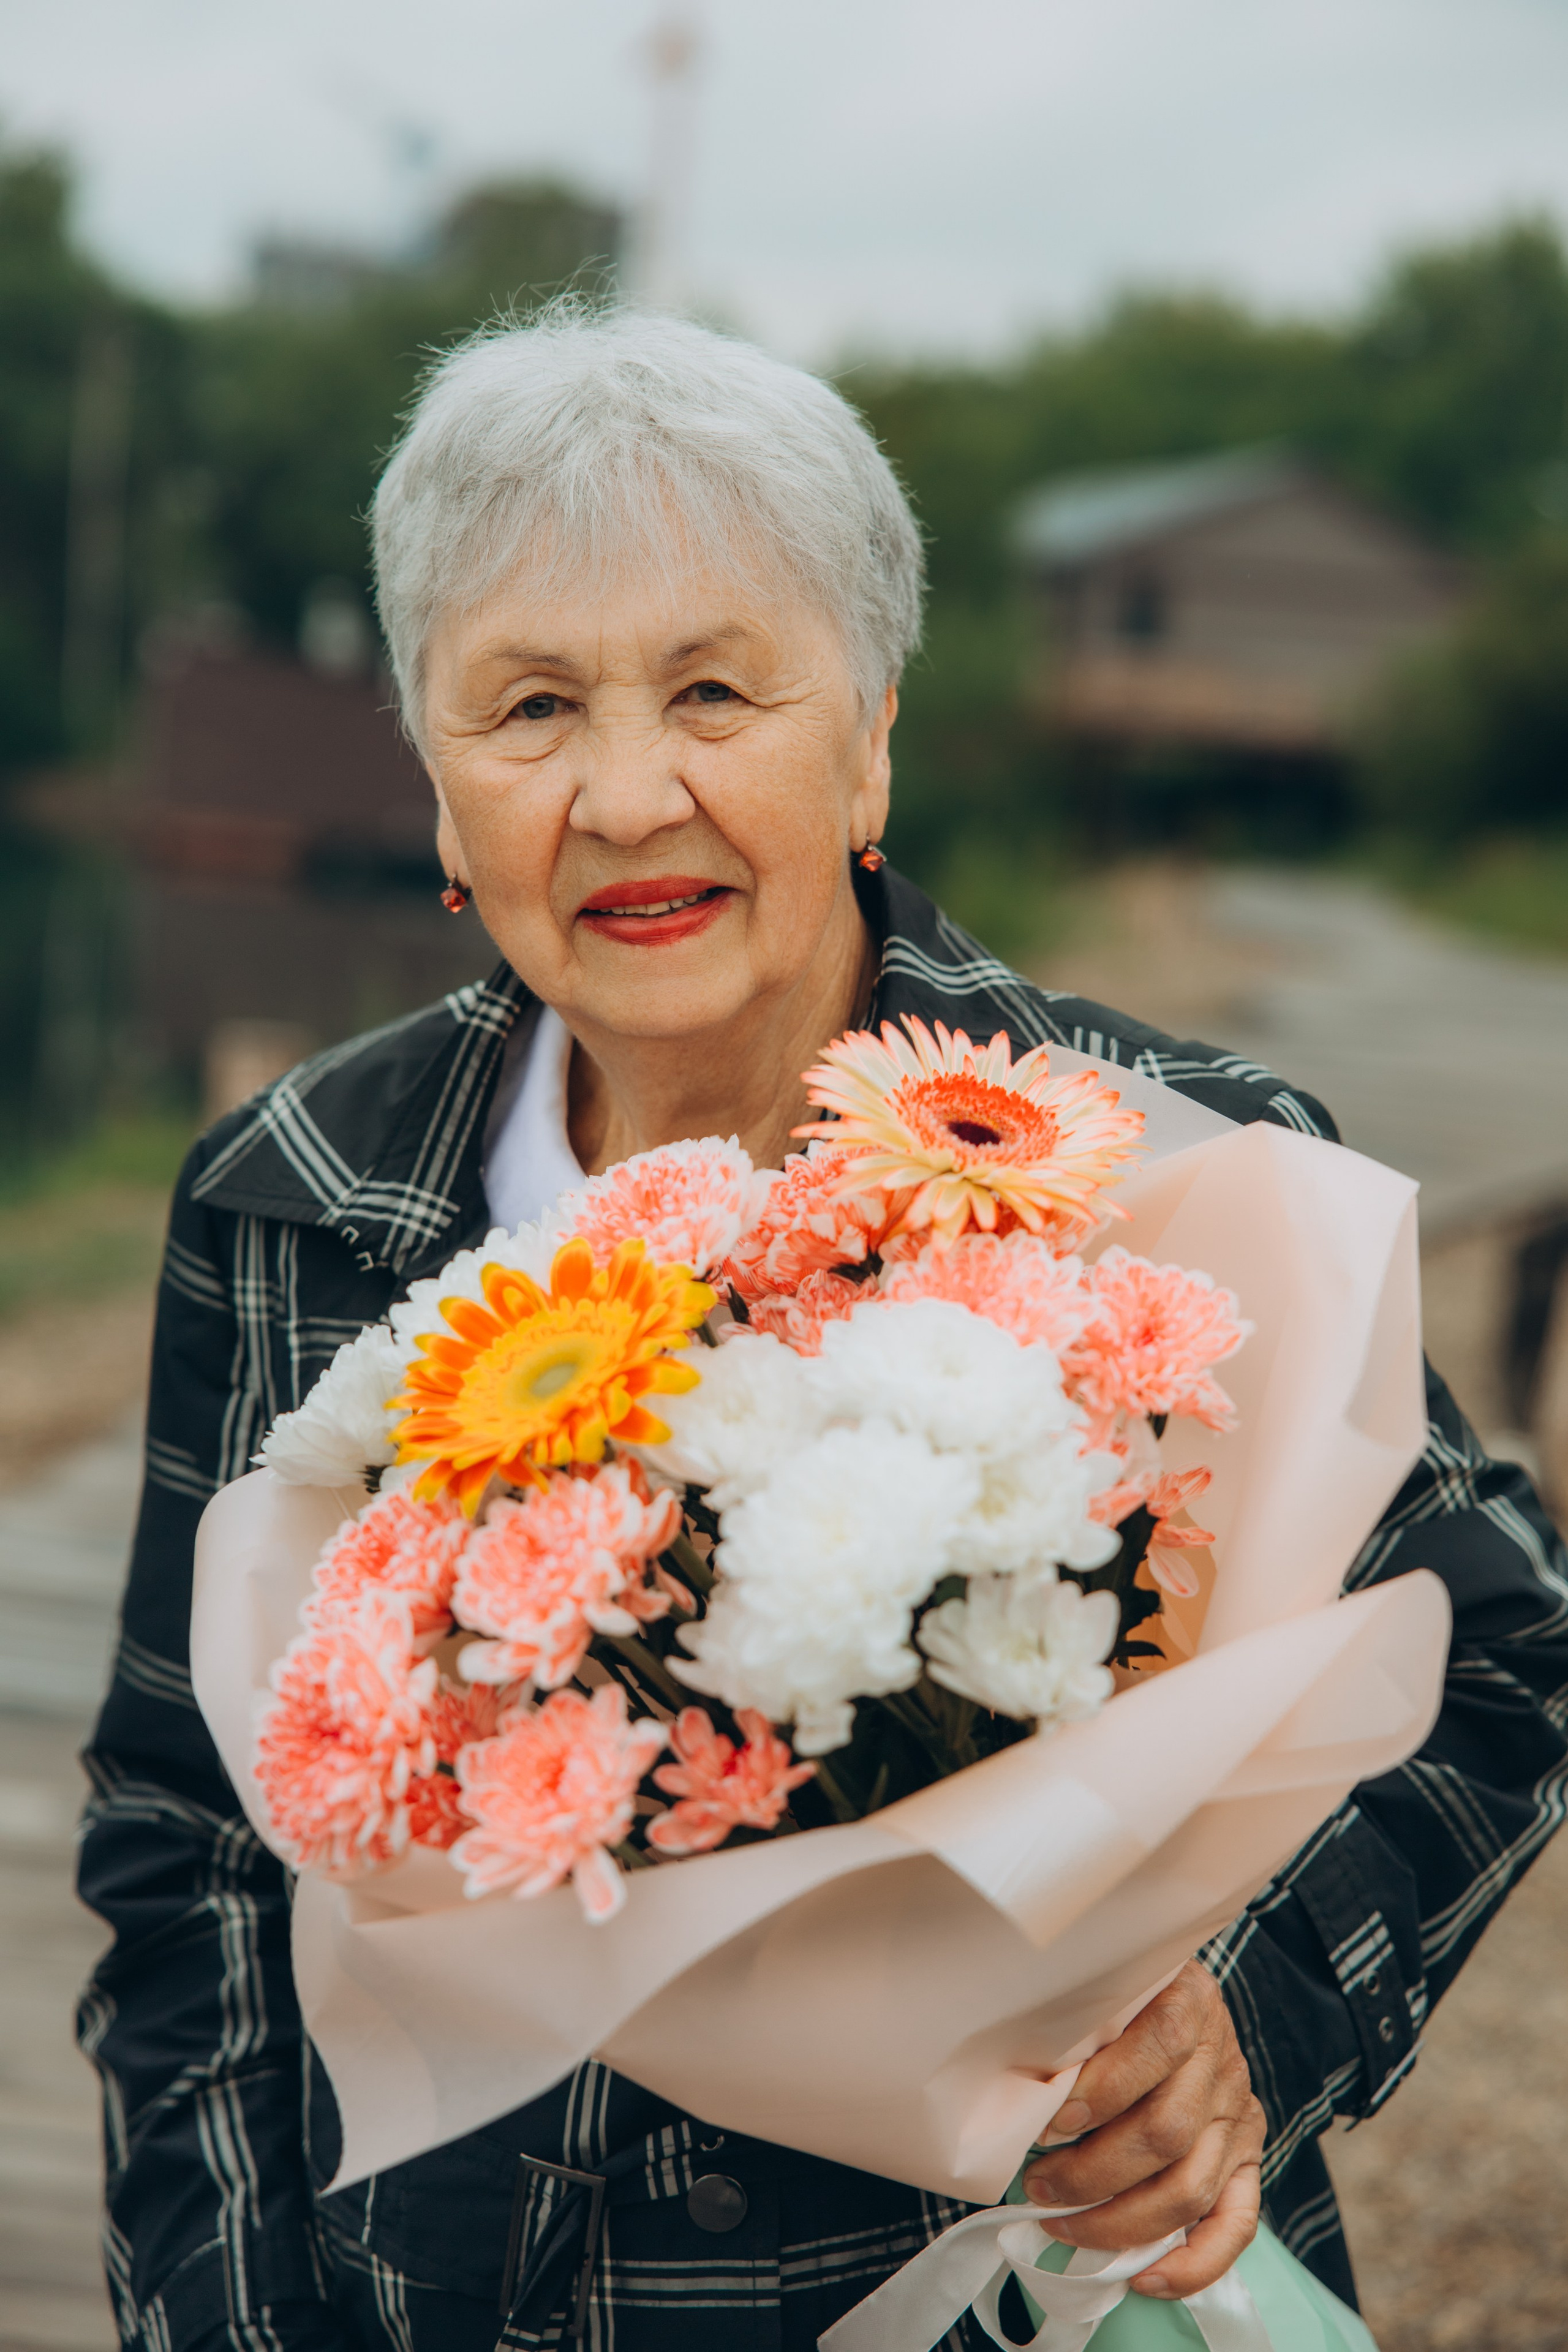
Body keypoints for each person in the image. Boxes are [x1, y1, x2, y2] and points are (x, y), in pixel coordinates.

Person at [77, 307, 1568, 2352]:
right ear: (434, 786)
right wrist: (227, 2319)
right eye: (526, 710)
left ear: (867, 734)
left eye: (713, 688)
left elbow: (1503, 1645)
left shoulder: (1164, 1168)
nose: (623, 794)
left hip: (989, 2299)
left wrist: (1252, 2024)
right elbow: (188, 1850)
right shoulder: (284, 1197)